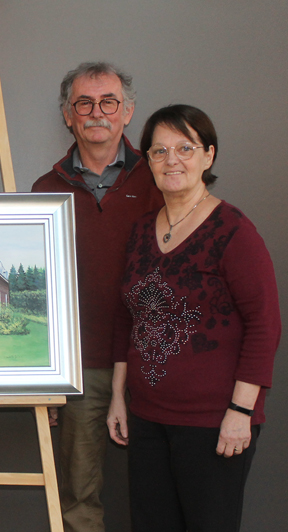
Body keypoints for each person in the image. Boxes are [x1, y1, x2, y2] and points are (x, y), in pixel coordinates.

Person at [107, 104, 280, 532]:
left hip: (213, 422)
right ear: (147, 161)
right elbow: (125, 319)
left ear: (209, 155)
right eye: (159, 151)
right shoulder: (142, 231)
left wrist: (242, 409)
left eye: (185, 147)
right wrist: (118, 396)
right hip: (147, 418)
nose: (172, 160)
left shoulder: (233, 230)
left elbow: (265, 325)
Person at [31, 62, 163, 532]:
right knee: (79, 497)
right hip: (80, 367)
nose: (96, 113)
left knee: (160, 488)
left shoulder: (161, 180)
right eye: (83, 103)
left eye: (108, 101)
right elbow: (42, 294)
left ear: (128, 112)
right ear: (68, 115)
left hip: (153, 361)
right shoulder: (45, 191)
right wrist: (44, 377)